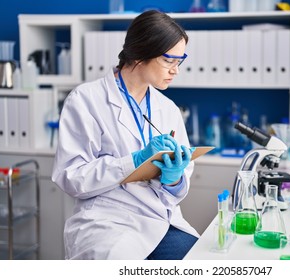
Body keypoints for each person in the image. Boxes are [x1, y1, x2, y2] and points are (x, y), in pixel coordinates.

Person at [51, 10, 199, 260]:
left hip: (160, 218)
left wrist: (174, 179)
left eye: (179, 61)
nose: (175, 70)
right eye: (168, 60)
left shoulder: (168, 108)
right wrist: (136, 159)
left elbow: (179, 183)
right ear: (140, 53)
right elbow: (71, 177)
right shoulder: (86, 99)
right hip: (108, 222)